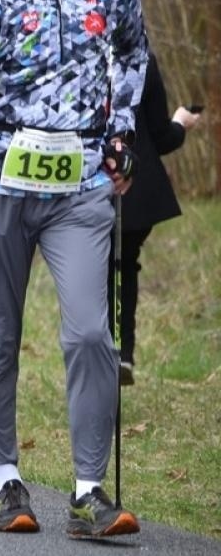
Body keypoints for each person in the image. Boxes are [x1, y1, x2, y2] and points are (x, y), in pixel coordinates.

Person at [0, 0, 147, 537]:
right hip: (6, 187)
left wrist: (122, 131)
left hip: (83, 186)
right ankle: (7, 481)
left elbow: (132, 54)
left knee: (91, 332)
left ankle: (89, 491)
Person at [110, 52, 200, 385]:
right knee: (124, 266)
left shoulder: (71, 45)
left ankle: (107, 356)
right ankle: (122, 354)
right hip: (135, 193)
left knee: (96, 270)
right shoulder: (140, 57)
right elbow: (162, 137)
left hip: (86, 184)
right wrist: (181, 122)